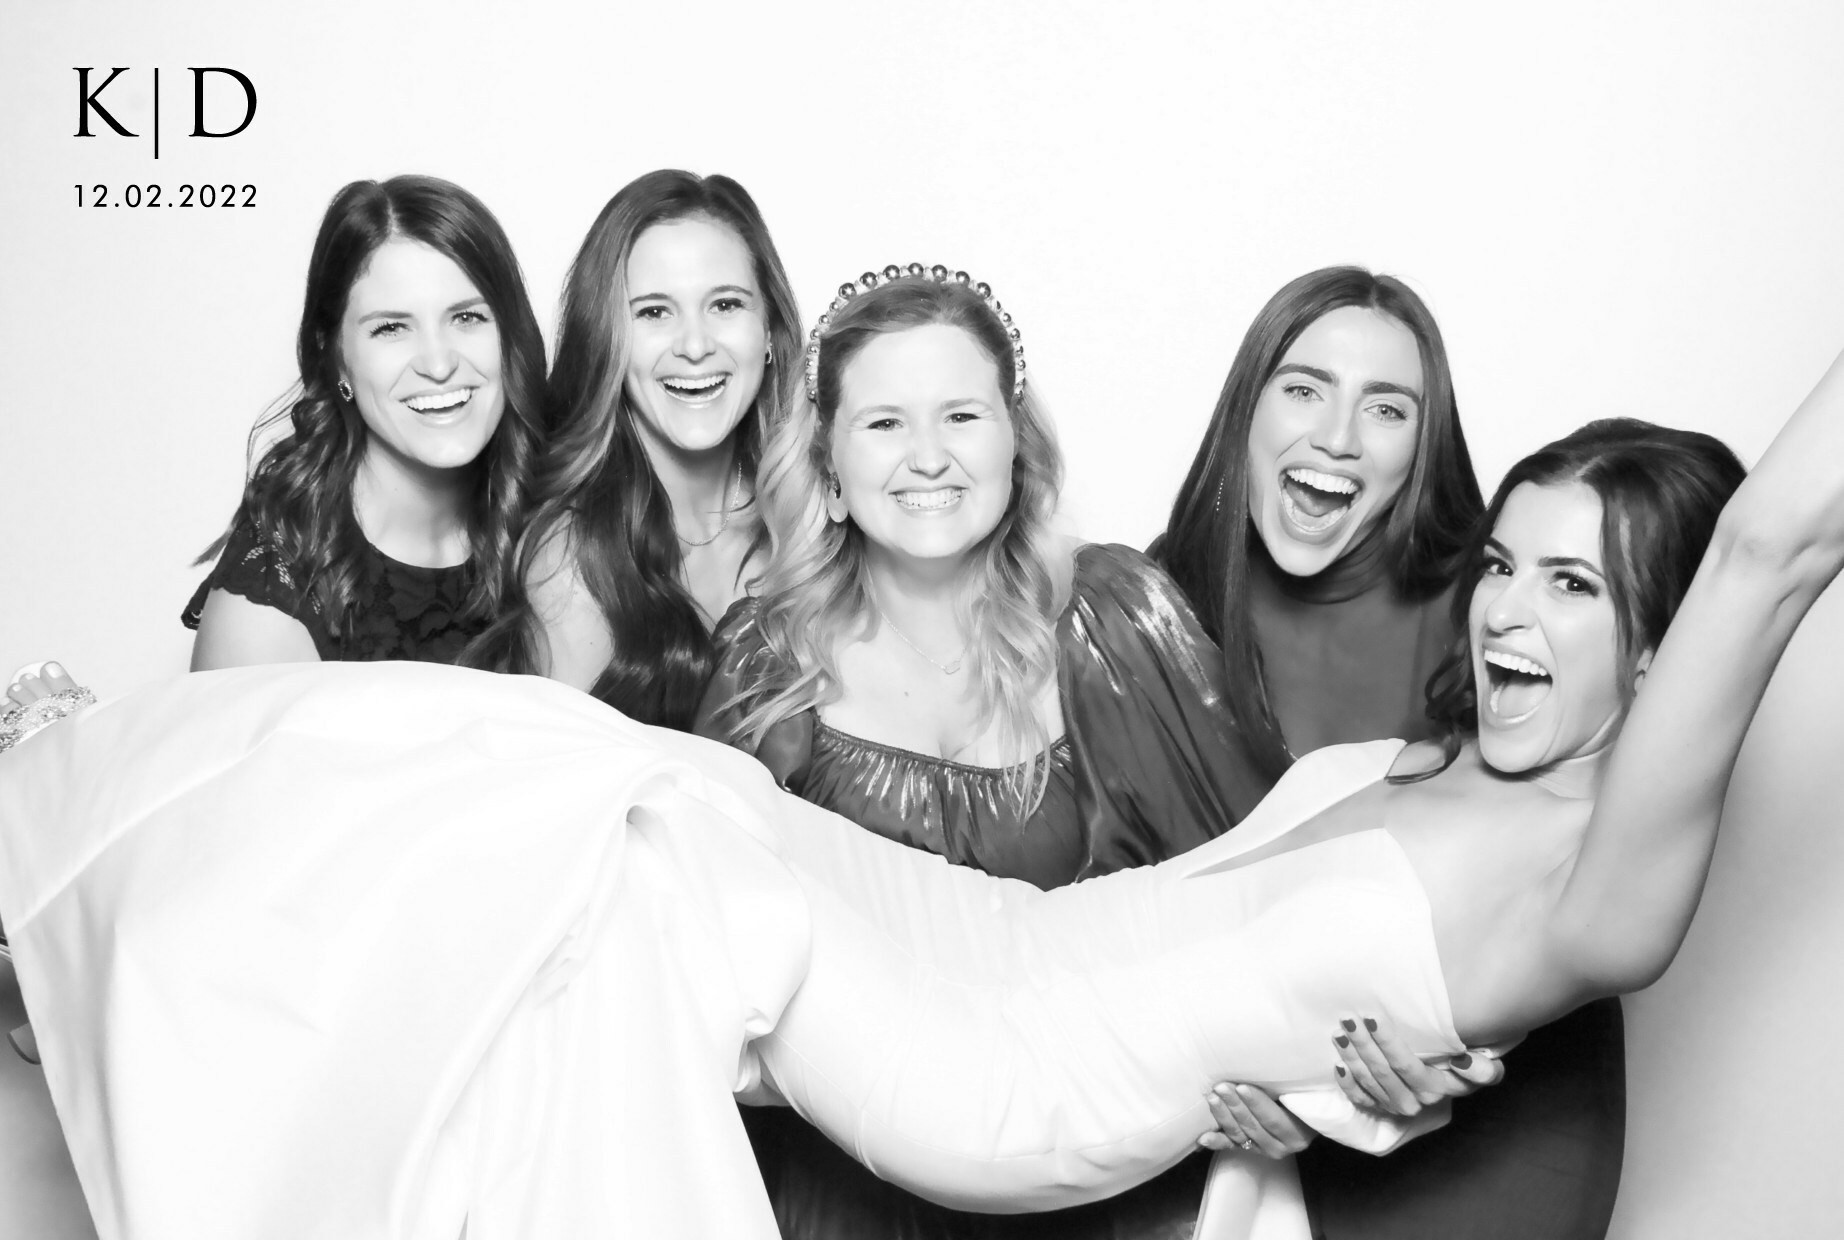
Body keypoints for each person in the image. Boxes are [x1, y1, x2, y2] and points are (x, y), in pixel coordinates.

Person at [2, 345, 1838, 1240]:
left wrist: (1387, 1099)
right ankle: (98, 863)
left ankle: (164, 1012)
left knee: (638, 864)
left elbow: (1773, 546)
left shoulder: (1602, 886)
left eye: (1572, 586)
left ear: (1670, 647)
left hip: (1007, 1077)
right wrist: (1338, 1099)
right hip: (996, 938)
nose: (1503, 611)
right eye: (1503, 563)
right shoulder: (1412, 762)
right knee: (604, 767)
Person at [694, 264, 1277, 1238]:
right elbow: (701, 968)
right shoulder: (765, 662)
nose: (927, 456)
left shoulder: (1113, 619)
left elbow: (1265, 896)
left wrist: (1293, 1083)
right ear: (829, 469)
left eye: (960, 416)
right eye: (884, 422)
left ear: (1016, 445)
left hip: (1103, 1197)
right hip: (844, 1203)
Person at [1155, 267, 1623, 1237]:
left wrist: (1454, 1062)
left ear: (1421, 447)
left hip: (1495, 1135)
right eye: (1303, 388)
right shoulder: (1159, 607)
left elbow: (1570, 847)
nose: (1337, 436)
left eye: (1385, 408)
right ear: (1246, 408)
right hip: (1246, 1122)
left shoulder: (1492, 605)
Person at [463, 170, 803, 728]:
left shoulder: (809, 515)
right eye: (653, 312)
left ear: (770, 331)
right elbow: (560, 773)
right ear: (608, 342)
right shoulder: (573, 558)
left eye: (725, 305)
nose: (695, 345)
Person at [182, 175, 548, 669]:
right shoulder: (269, 611)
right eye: (391, 328)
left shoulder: (559, 516)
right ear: (335, 358)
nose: (439, 364)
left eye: (467, 318)